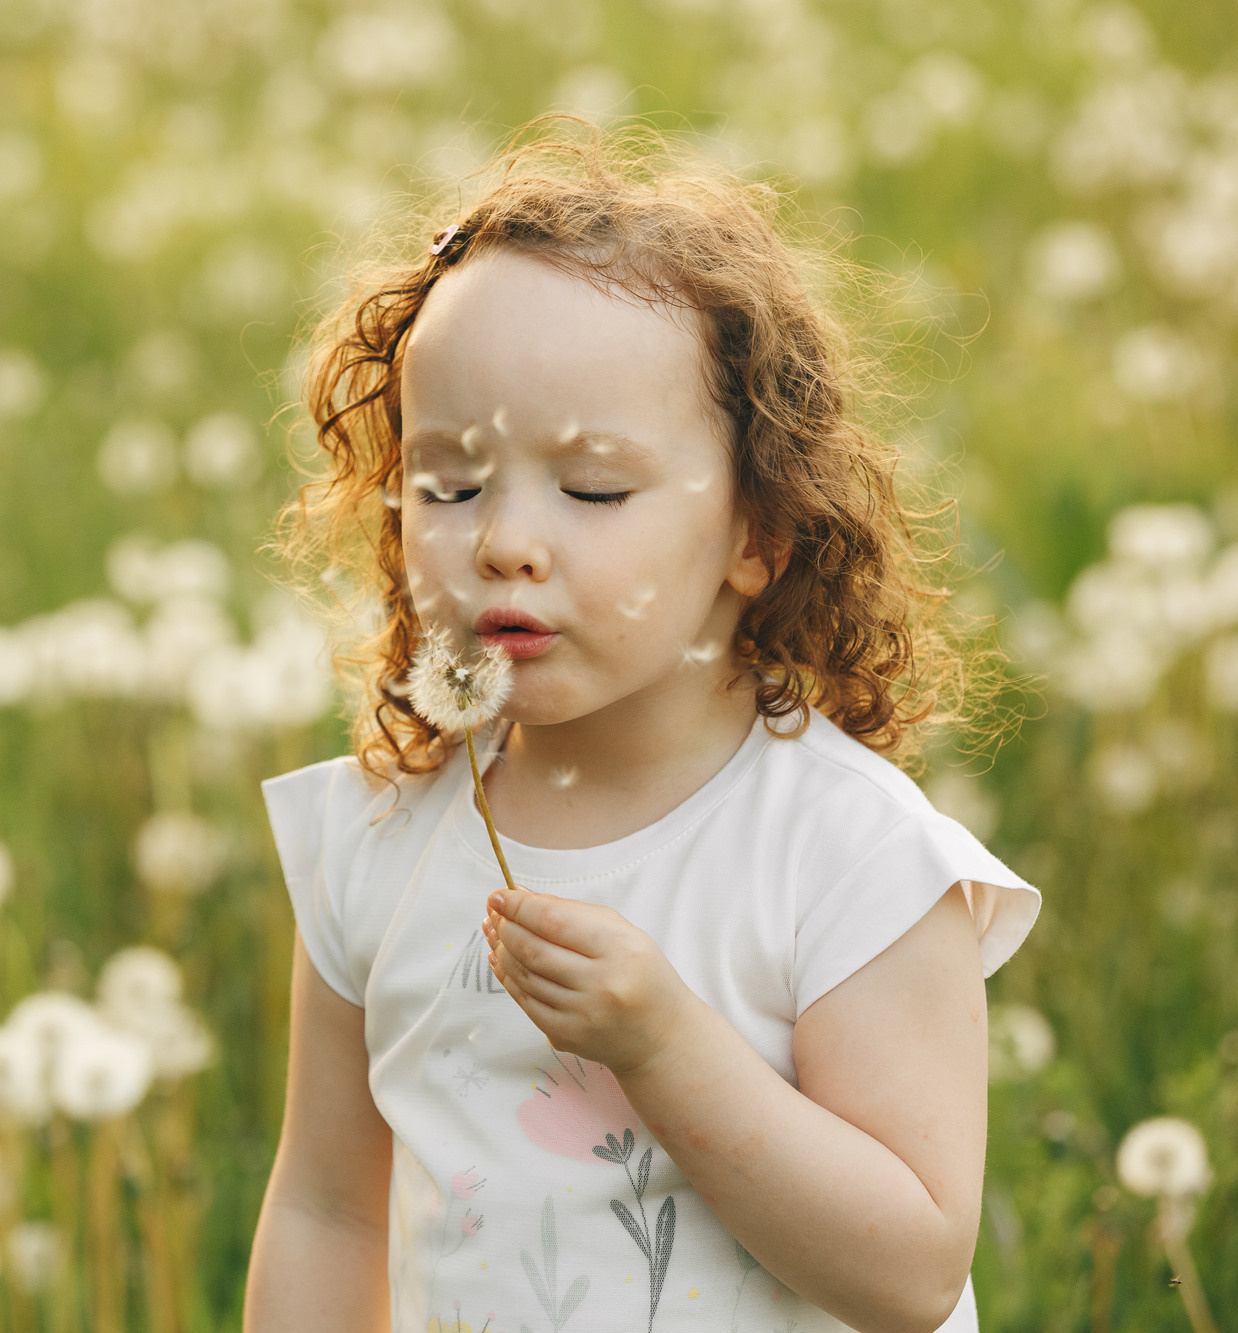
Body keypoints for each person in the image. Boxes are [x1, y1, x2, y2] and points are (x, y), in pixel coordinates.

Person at [245, 122, 1041, 1333]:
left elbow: (910, 1271)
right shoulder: (377, 837)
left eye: (592, 489)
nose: (504, 538)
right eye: (449, 483)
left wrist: (665, 1047)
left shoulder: (847, 856)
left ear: (758, 532)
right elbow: (326, 1210)